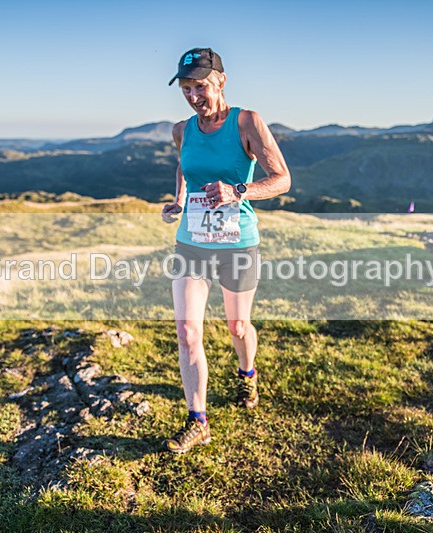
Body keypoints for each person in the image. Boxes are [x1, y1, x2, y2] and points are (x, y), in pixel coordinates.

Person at [160, 47, 291, 453]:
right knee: (187, 331)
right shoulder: (182, 129)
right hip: (192, 241)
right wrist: (180, 199)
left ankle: (247, 371)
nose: (193, 96)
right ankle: (197, 421)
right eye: (185, 88)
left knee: (237, 327)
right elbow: (185, 164)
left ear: (220, 80)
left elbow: (282, 179)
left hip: (237, 243)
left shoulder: (247, 122)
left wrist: (238, 191)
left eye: (199, 86)